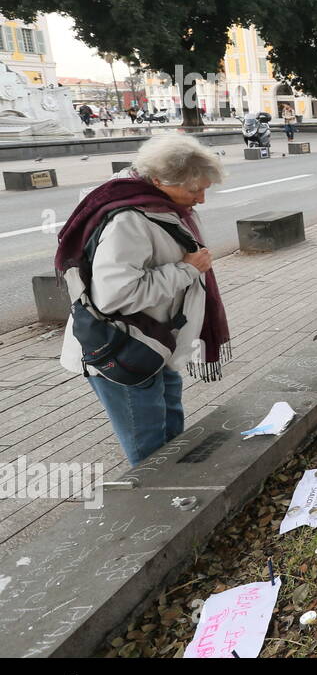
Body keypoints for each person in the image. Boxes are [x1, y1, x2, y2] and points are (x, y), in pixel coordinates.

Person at [54, 134, 230, 467]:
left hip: (156, 341)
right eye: (195, 190)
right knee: (148, 445)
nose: (201, 199)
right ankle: (156, 506)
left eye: (205, 188)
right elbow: (115, 296)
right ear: (160, 180)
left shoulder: (161, 205)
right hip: (122, 350)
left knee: (172, 429)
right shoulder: (129, 220)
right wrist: (186, 270)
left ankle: (181, 490)